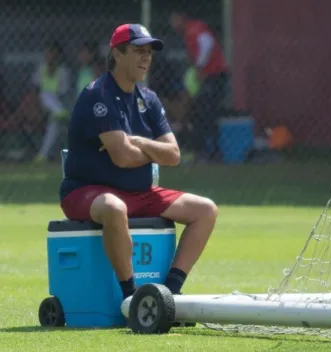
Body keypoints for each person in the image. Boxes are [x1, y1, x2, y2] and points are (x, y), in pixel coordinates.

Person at [59, 24, 218, 305]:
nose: (146, 58)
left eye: (149, 52)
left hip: (140, 193)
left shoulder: (150, 99)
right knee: (114, 207)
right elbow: (123, 158)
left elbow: (174, 155)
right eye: (138, 51)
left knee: (206, 210)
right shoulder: (98, 95)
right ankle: (131, 298)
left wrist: (139, 142)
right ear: (117, 54)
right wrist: (150, 150)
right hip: (87, 191)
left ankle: (168, 294)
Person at [169, 11, 230, 162]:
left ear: (182, 18)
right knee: (202, 112)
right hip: (208, 76)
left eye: (175, 20)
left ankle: (212, 151)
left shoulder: (194, 29)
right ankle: (205, 150)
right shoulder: (190, 33)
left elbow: (207, 43)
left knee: (207, 111)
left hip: (215, 75)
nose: (173, 25)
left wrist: (200, 67)